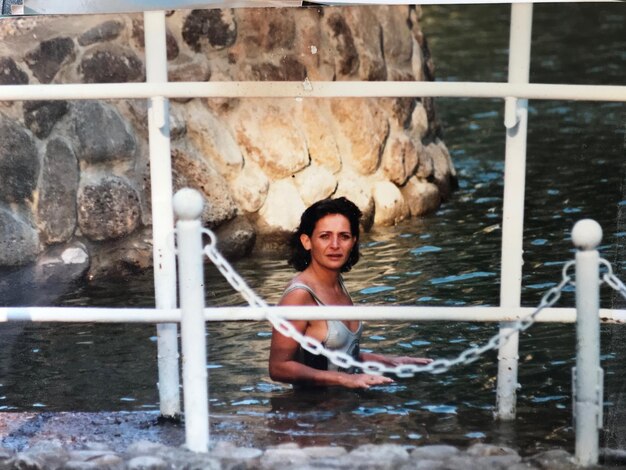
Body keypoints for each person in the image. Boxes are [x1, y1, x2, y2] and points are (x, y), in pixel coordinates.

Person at [269, 197, 432, 389]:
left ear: (353, 241)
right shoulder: (299, 295)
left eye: (344, 236)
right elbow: (278, 367)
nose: (335, 245)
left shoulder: (337, 283)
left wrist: (391, 362)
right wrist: (346, 380)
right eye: (325, 236)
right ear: (307, 241)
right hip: (311, 411)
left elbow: (341, 356)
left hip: (341, 403)